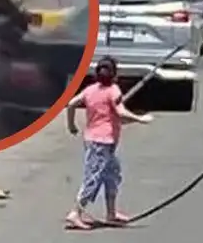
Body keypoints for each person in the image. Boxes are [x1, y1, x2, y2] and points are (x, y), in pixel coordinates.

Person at [65, 56, 153, 230]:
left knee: (112, 174)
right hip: (101, 143)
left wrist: (71, 125)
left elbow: (71, 104)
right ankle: (75, 213)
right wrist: (141, 119)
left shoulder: (90, 90)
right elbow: (121, 114)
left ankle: (111, 213)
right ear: (114, 75)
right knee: (93, 177)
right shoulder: (114, 91)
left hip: (100, 141)